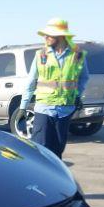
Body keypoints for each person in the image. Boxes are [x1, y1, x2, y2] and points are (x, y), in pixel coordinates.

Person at [19, 18, 89, 158]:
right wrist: (23, 106)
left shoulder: (77, 55)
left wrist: (77, 95)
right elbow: (31, 81)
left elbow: (84, 78)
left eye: (49, 34)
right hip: (44, 109)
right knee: (39, 151)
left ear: (61, 36)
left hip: (65, 110)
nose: (45, 37)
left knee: (57, 153)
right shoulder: (41, 55)